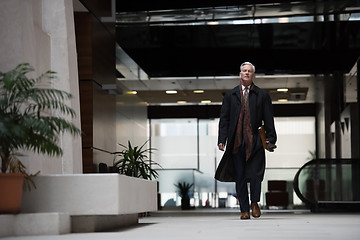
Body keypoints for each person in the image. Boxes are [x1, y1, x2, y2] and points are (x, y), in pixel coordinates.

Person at [215, 62, 277, 220]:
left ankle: (254, 203)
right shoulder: (230, 96)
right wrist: (222, 139)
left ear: (253, 75)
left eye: (250, 71)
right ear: (240, 74)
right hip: (236, 141)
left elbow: (268, 119)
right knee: (240, 176)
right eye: (244, 71)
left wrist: (270, 138)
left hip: (255, 141)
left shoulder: (262, 95)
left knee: (256, 174)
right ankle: (244, 209)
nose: (247, 73)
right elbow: (224, 120)